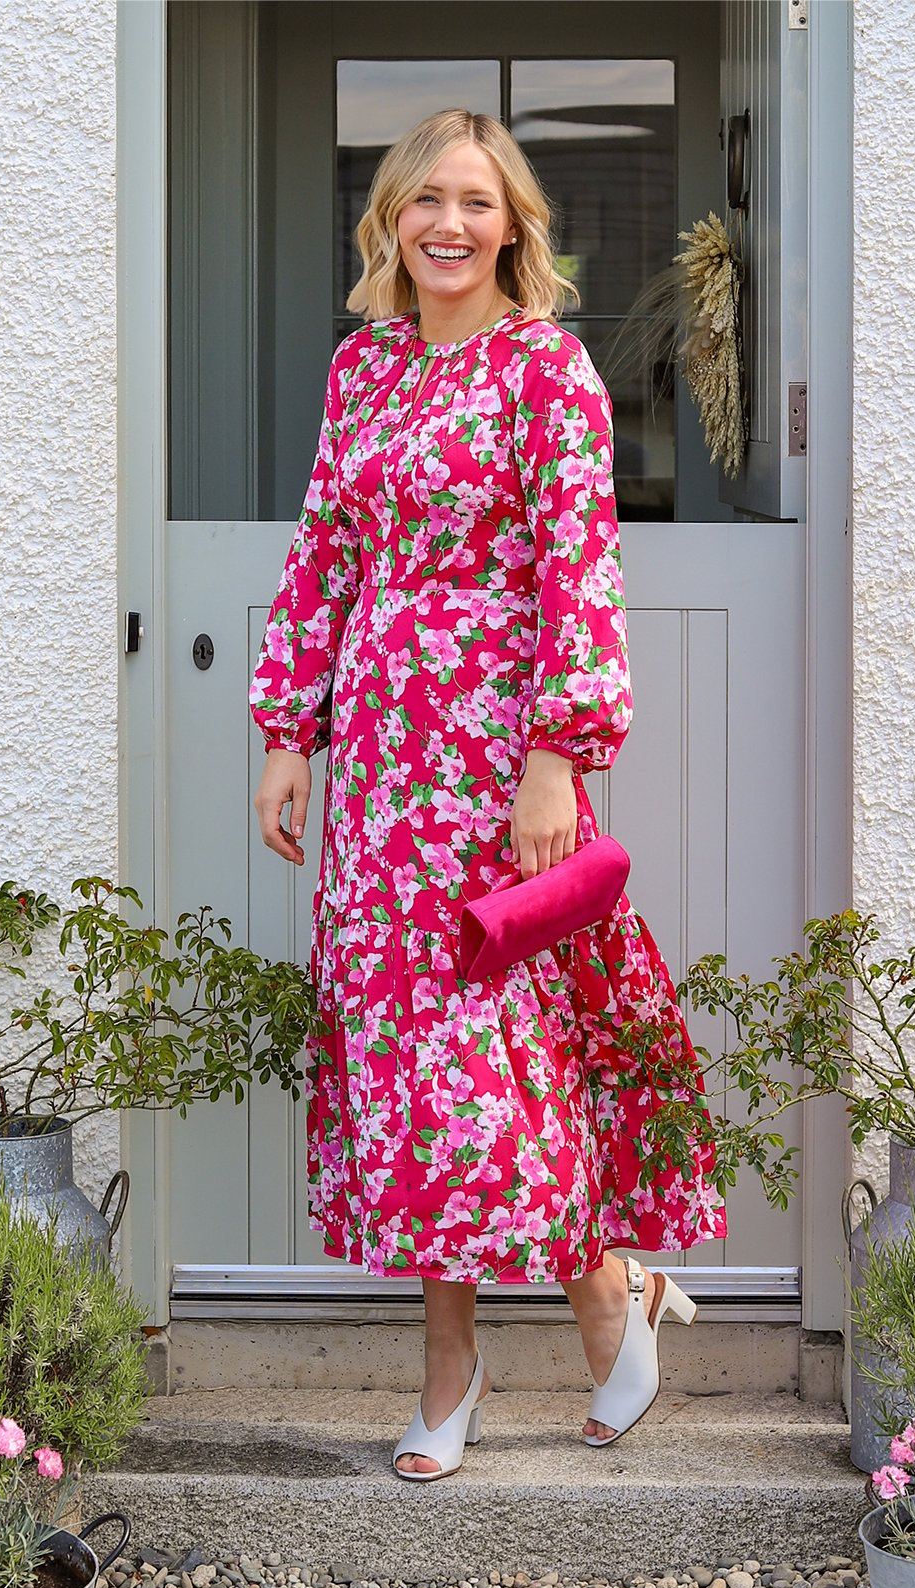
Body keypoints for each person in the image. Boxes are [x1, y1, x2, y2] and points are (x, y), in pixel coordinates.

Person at [250, 108, 727, 1482]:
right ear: (387, 221)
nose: (447, 225)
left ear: (513, 223)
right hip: (385, 778)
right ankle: (454, 1360)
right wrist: (290, 731)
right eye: (422, 201)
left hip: (500, 770)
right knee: (409, 1074)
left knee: (500, 1073)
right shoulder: (365, 374)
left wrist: (555, 758)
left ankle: (598, 1298)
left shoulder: (545, 370)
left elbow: (580, 574)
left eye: (474, 201)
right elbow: (325, 557)